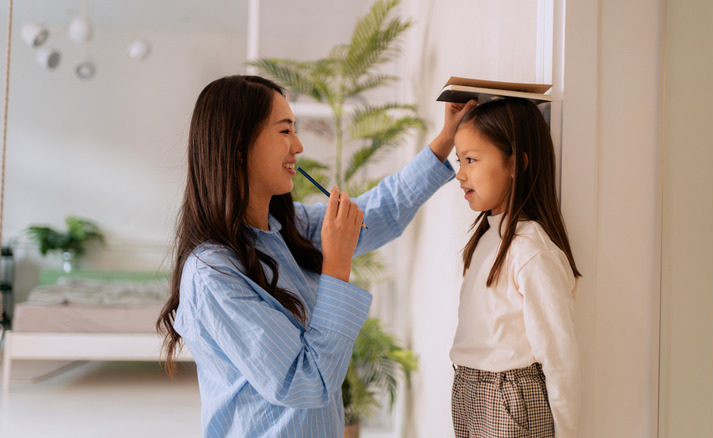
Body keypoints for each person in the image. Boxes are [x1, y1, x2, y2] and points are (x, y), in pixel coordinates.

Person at [156, 74, 476, 437]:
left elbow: (379, 211)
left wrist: (446, 138)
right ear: (239, 146)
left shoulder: (285, 228)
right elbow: (304, 382)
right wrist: (337, 265)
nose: (299, 146)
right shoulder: (211, 275)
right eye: (285, 131)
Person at [449, 97, 582, 438]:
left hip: (509, 398)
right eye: (459, 160)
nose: (460, 173)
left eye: (471, 160)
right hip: (470, 389)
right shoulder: (485, 238)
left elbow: (560, 355)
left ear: (515, 164)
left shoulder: (528, 250)